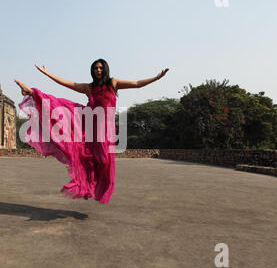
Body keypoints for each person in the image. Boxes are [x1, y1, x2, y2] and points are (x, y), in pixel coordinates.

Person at [15, 59, 169, 204]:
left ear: (105, 69)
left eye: (101, 68)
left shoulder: (113, 83)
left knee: (103, 161)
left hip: (106, 128)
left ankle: (89, 184)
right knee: (60, 110)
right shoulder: (89, 88)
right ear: (92, 71)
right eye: (95, 68)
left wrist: (156, 78)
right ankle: (31, 92)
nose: (98, 70)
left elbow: (136, 83)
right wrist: (47, 74)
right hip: (88, 123)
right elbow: (67, 84)